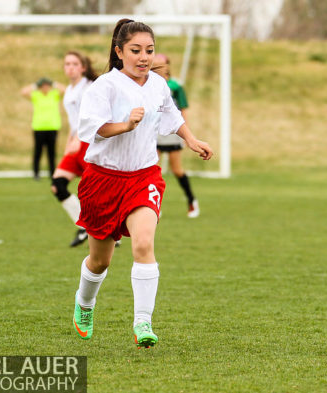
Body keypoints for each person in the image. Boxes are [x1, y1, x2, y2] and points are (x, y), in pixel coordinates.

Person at [71, 19, 212, 349]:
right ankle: (85, 303)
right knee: (100, 260)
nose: (144, 57)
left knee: (144, 244)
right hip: (102, 180)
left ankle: (143, 322)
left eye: (149, 50)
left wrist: (191, 140)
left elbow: (172, 116)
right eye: (135, 50)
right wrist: (126, 124)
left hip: (143, 176)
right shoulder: (104, 86)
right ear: (119, 52)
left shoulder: (158, 85)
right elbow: (93, 129)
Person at [50, 51, 98, 247]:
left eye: (74, 63)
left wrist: (77, 138)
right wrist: (69, 141)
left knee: (95, 191)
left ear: (83, 67)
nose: (69, 67)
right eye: (66, 64)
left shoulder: (89, 87)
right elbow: (74, 120)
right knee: (57, 185)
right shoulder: (70, 89)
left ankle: (105, 230)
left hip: (89, 143)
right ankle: (86, 226)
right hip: (76, 143)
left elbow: (88, 117)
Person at [151, 54, 200, 218]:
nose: (157, 66)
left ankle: (192, 200)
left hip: (172, 133)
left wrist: (188, 135)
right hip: (155, 133)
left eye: (160, 64)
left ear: (167, 66)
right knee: (151, 170)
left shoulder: (175, 87)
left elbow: (182, 110)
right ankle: (153, 205)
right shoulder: (148, 86)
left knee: (177, 170)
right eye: (154, 64)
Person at [21, 77, 65, 179]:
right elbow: (24, 92)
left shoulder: (54, 95)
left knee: (51, 152)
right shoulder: (37, 95)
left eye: (47, 86)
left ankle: (52, 173)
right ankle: (36, 173)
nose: (45, 88)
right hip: (38, 127)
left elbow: (65, 90)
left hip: (52, 127)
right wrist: (35, 85)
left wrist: (53, 83)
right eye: (43, 86)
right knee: (38, 152)